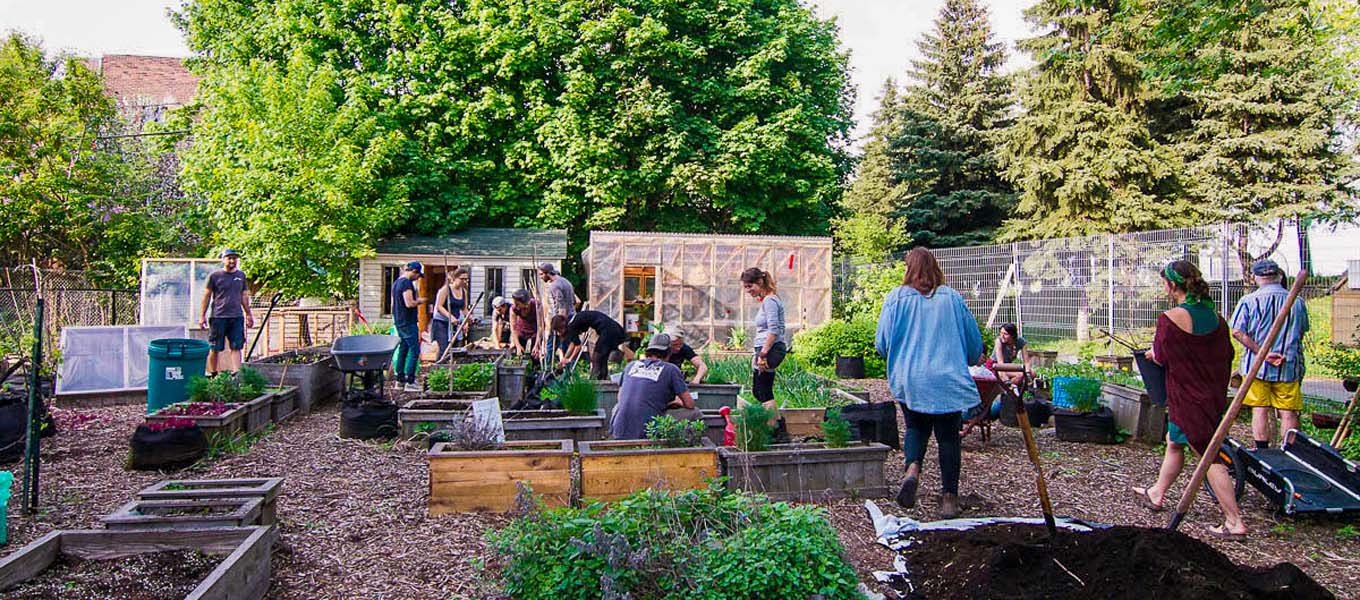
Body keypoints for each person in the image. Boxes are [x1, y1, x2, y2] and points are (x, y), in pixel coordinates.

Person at [1132, 260, 1245, 538]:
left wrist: (1151, 355)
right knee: (1175, 442)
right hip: (1210, 394)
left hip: (1186, 396)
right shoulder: (1217, 319)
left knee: (1208, 456)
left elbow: (1162, 356)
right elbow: (1227, 355)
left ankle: (1234, 521)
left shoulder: (1170, 319)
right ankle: (1157, 493)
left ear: (1172, 285)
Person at [875, 248, 984, 519]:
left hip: (911, 379)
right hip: (947, 379)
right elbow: (974, 347)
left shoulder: (896, 298)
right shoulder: (952, 298)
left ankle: (912, 469)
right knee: (948, 437)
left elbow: (881, 345)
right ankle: (949, 498)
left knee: (915, 427)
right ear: (935, 267)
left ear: (908, 268)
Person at [1230, 259, 1308, 450]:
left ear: (1256, 277)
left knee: (1260, 408)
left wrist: (1262, 353)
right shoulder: (1297, 302)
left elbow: (1237, 331)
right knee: (1288, 412)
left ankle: (1262, 451)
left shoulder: (1249, 301)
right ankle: (1290, 453)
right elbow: (1302, 330)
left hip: (1257, 367)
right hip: (1288, 365)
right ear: (1278, 276)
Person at [609, 333, 701, 439]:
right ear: (668, 353)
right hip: (648, 430)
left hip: (620, 430)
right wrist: (677, 402)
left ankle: (614, 436)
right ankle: (681, 448)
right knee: (695, 413)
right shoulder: (671, 369)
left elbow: (620, 398)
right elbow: (689, 404)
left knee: (617, 407)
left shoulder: (631, 366)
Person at [198, 249, 255, 376]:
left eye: (234, 258)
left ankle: (236, 374)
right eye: (229, 258)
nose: (232, 261)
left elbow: (244, 296)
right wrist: (202, 316)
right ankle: (213, 374)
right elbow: (206, 296)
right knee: (215, 347)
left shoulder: (241, 276)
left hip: (236, 316)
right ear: (223, 259)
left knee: (236, 346)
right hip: (218, 316)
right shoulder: (215, 276)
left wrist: (248, 314)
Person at [741, 267, 786, 407]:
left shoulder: (770, 301)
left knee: (763, 391)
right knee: (759, 391)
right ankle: (775, 423)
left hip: (770, 349)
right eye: (745, 287)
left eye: (750, 286)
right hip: (765, 348)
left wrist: (763, 353)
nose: (747, 290)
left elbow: (774, 330)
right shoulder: (768, 300)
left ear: (760, 282)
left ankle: (775, 426)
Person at [552, 311, 635, 380]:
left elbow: (578, 346)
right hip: (614, 328)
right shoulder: (571, 320)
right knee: (603, 358)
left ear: (561, 327)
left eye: (559, 330)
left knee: (596, 357)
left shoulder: (571, 326)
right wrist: (564, 359)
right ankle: (602, 380)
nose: (560, 333)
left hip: (607, 330)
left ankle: (593, 383)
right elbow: (573, 344)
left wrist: (569, 359)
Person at [391, 261, 427, 392]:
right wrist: (421, 301)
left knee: (403, 350)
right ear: (414, 271)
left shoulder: (396, 283)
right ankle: (410, 381)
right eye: (418, 275)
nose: (418, 278)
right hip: (408, 322)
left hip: (399, 321)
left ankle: (399, 380)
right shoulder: (406, 283)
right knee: (415, 351)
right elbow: (409, 303)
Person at [430, 267, 471, 362]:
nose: (464, 281)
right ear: (455, 278)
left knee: (456, 347)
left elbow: (464, 308)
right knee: (444, 348)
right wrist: (450, 317)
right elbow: (439, 307)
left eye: (466, 279)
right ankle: (439, 368)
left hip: (455, 323)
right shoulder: (445, 290)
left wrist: (468, 317)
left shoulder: (463, 291)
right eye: (462, 279)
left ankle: (452, 368)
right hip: (442, 323)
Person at [538, 262, 577, 361]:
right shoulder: (566, 281)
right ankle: (568, 372)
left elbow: (562, 306)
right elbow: (575, 301)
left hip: (562, 319)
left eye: (541, 274)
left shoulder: (555, 286)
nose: (541, 277)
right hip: (572, 316)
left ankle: (547, 370)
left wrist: (560, 325)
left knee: (551, 345)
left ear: (548, 273)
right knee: (567, 346)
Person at [509, 289, 540, 358]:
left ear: (526, 303)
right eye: (514, 303)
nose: (516, 306)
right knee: (519, 355)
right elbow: (513, 328)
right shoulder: (513, 308)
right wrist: (517, 345)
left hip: (535, 331)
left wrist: (537, 345)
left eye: (517, 304)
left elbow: (540, 326)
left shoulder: (536, 305)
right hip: (521, 330)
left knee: (535, 356)